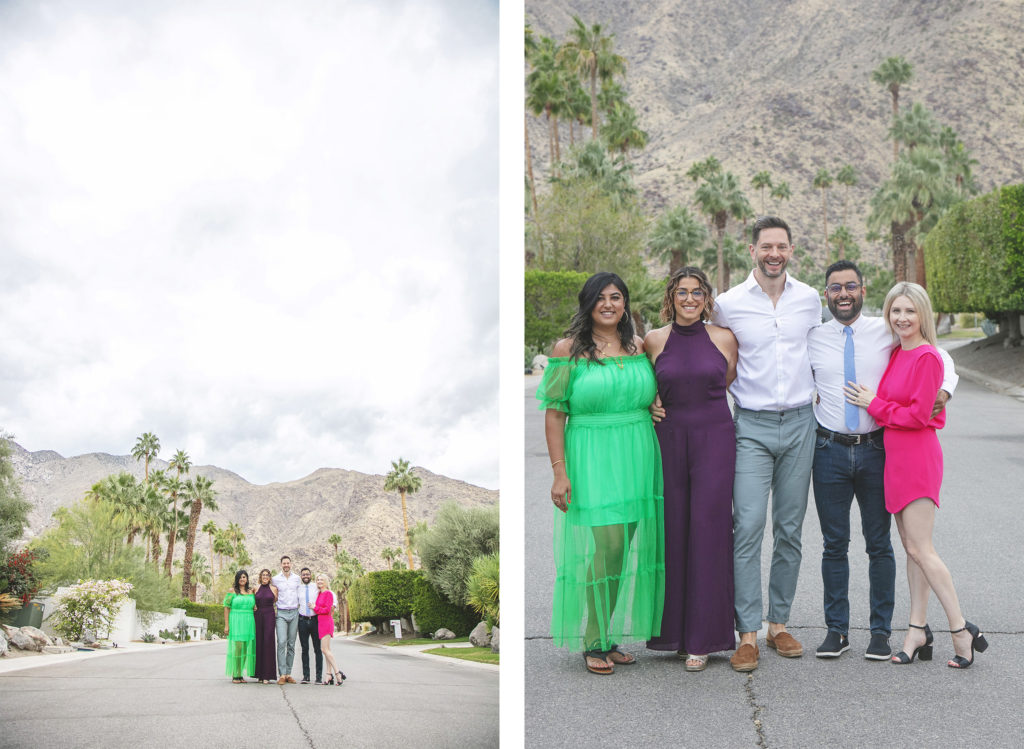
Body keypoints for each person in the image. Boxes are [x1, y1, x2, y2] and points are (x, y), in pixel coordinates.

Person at [808, 261, 958, 661]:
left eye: (850, 286)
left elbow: (935, 354)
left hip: (878, 450)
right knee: (834, 544)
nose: (843, 293)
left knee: (881, 545)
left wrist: (945, 390)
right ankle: (836, 630)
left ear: (862, 290)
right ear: (826, 294)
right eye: (835, 287)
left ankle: (880, 633)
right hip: (829, 450)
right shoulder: (814, 337)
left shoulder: (886, 330)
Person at [845, 282, 988, 669]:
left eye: (909, 311)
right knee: (911, 549)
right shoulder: (896, 353)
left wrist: (875, 404)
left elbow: (919, 415)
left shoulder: (927, 358)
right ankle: (917, 629)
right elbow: (904, 407)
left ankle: (961, 630)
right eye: (895, 311)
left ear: (922, 314)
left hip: (918, 456)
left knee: (922, 548)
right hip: (894, 458)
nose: (902, 318)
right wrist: (885, 405)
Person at [537, 271, 664, 676]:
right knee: (606, 549)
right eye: (600, 298)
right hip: (592, 456)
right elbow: (555, 413)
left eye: (616, 297)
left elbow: (646, 394)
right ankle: (593, 638)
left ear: (625, 303)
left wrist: (654, 403)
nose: (608, 304)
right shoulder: (568, 350)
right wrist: (560, 473)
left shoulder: (637, 345)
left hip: (637, 455)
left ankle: (605, 637)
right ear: (588, 303)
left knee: (622, 552)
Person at [712, 216, 821, 672]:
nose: (774, 253)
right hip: (751, 427)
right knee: (749, 526)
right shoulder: (727, 304)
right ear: (752, 250)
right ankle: (748, 633)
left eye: (782, 246)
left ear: (791, 250)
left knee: (790, 530)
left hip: (801, 424)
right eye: (766, 246)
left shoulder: (811, 299)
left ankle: (779, 623)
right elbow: (706, 356)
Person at [644, 267, 738, 672]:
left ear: (706, 298)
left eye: (696, 292)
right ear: (671, 297)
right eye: (681, 292)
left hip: (715, 441)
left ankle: (704, 638)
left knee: (708, 531)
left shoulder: (723, 338)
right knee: (673, 533)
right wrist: (648, 405)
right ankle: (676, 636)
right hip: (668, 441)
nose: (688, 299)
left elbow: (727, 379)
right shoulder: (652, 340)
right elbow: (643, 387)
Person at [272, 555, 303, 684]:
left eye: (288, 563)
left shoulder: (297, 579)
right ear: (281, 565)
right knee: (281, 642)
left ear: (291, 564)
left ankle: (289, 673)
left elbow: (301, 594)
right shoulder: (275, 579)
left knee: (291, 644)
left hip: (294, 612)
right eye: (284, 563)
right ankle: (282, 674)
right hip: (281, 613)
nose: (286, 565)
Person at [222, 569, 256, 684]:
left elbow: (254, 605)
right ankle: (235, 674)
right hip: (236, 621)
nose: (243, 579)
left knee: (246, 649)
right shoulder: (232, 591)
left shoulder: (251, 592)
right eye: (240, 577)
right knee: (238, 648)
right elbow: (226, 607)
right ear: (237, 579)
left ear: (247, 579)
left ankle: (240, 674)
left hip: (249, 622)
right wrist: (226, 625)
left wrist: (255, 605)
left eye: (244, 577)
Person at [313, 574, 346, 685]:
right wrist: (316, 608)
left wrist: (314, 607)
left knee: (324, 649)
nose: (319, 581)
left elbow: (327, 610)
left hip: (326, 622)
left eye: (322, 579)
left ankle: (337, 672)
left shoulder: (328, 594)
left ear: (326, 582)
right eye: (318, 579)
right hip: (320, 622)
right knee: (327, 650)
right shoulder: (319, 594)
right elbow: (319, 610)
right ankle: (328, 675)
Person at [297, 567, 324, 684]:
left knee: (317, 649)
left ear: (310, 575)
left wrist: (334, 604)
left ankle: (318, 677)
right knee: (304, 649)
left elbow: (327, 592)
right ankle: (306, 676)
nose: (305, 576)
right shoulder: (298, 588)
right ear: (301, 576)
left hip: (315, 620)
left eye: (307, 574)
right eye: (303, 575)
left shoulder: (316, 587)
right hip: (302, 620)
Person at [252, 568, 278, 683]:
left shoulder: (274, 589)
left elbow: (275, 601)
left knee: (268, 642)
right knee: (259, 642)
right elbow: (252, 601)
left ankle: (267, 675)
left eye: (267, 575)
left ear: (270, 577)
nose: (265, 577)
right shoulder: (255, 588)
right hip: (258, 616)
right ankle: (259, 675)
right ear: (260, 576)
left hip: (269, 615)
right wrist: (254, 607)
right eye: (263, 575)